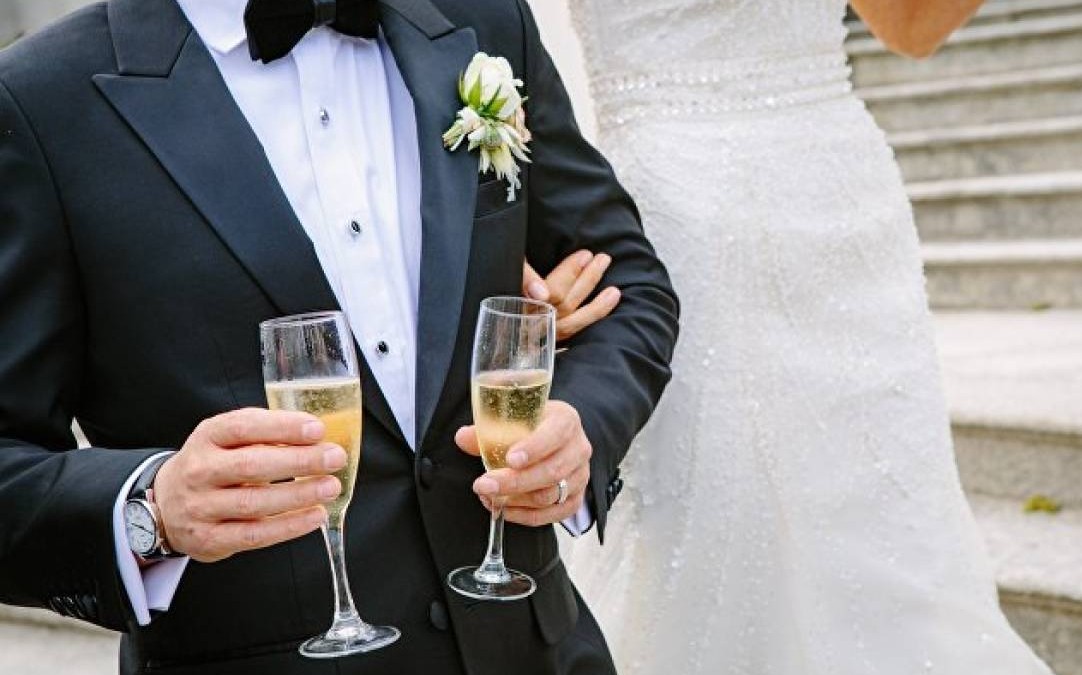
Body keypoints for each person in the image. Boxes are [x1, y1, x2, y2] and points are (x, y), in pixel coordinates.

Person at [0, 0, 678, 673]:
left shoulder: (483, 17)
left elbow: (629, 283)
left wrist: (580, 427)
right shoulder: (38, 102)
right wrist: (152, 511)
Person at [558, 0, 1056, 672]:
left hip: (842, 209)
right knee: (716, 519)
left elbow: (909, 27)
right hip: (683, 216)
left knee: (885, 524)